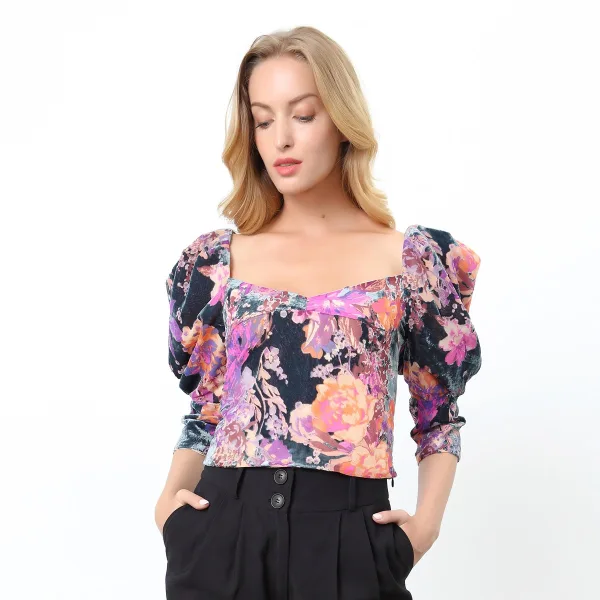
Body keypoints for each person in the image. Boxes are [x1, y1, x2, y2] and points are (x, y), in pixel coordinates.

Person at [155, 25, 482, 600]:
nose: (281, 138)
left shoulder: (412, 260)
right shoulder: (215, 263)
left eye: (303, 115)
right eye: (263, 120)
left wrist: (423, 528)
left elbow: (439, 415)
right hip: (222, 535)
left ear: (342, 121)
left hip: (349, 538)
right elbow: (206, 407)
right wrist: (170, 512)